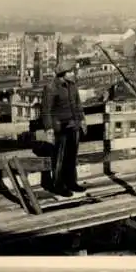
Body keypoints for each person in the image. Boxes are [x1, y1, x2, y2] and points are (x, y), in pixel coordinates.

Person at [41, 60, 88, 197]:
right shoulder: (51, 87)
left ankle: (71, 183)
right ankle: (58, 185)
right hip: (59, 128)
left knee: (72, 157)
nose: (73, 74)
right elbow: (46, 110)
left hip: (73, 126)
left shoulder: (72, 86)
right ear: (62, 73)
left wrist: (82, 121)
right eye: (70, 72)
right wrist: (49, 128)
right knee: (59, 158)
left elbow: (78, 105)